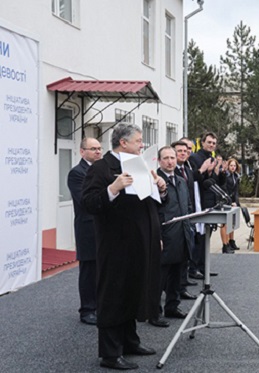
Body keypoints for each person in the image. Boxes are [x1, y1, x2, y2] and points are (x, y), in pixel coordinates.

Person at [82, 123, 166, 370]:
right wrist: (113, 188)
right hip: (116, 245)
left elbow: (152, 205)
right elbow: (89, 203)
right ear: (123, 143)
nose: (142, 145)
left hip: (141, 242)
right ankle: (110, 354)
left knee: (134, 291)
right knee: (114, 295)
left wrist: (161, 188)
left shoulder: (141, 165)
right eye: (139, 140)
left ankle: (130, 341)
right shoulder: (101, 168)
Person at [155, 146, 193, 323]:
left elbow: (188, 205)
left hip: (182, 233)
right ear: (159, 161)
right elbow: (153, 211)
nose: (170, 161)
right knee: (159, 277)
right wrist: (157, 235)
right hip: (165, 233)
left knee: (177, 275)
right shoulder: (154, 180)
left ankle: (172, 306)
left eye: (172, 157)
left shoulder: (181, 180)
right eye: (166, 158)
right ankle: (154, 312)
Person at [67, 137, 103, 325]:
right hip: (88, 228)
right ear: (82, 152)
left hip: (104, 227)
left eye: (99, 148)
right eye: (93, 149)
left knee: (102, 269)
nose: (98, 152)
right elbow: (85, 201)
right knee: (89, 270)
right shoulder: (77, 173)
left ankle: (99, 306)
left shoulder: (102, 170)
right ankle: (87, 309)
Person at [187, 133, 224, 277]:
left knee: (206, 237)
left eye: (214, 143)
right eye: (209, 142)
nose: (211, 145)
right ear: (202, 142)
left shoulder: (212, 158)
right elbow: (196, 180)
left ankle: (203, 266)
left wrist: (218, 172)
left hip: (210, 200)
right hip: (199, 200)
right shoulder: (195, 158)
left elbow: (214, 181)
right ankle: (194, 267)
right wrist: (205, 171)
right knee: (199, 236)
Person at [171, 141, 198, 299]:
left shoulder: (187, 170)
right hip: (173, 222)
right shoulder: (168, 171)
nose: (183, 153)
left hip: (187, 216)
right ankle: (171, 291)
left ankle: (181, 287)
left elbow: (189, 196)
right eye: (179, 151)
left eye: (185, 151)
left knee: (184, 255)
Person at [220, 158, 241, 253]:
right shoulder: (225, 176)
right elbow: (224, 190)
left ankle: (231, 241)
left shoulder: (236, 176)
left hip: (233, 202)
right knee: (225, 224)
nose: (233, 167)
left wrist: (236, 202)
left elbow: (236, 191)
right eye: (231, 165)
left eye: (234, 166)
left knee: (232, 223)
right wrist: (229, 202)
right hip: (225, 201)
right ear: (228, 166)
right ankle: (225, 244)